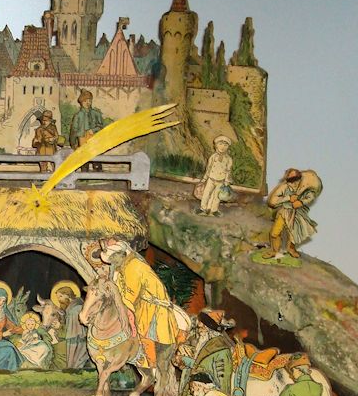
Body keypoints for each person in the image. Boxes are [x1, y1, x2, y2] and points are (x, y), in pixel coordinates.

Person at [99, 237, 179, 367]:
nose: (112, 262)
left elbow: (131, 295)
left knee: (142, 331)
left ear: (120, 254)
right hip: (139, 304)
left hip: (151, 307)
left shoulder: (134, 266)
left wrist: (116, 300)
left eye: (112, 258)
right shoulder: (123, 267)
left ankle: (149, 362)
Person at [262, 168, 321, 260]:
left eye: (296, 179)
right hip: (284, 212)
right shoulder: (284, 187)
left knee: (294, 234)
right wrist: (288, 198)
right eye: (291, 180)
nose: (294, 183)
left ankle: (291, 249)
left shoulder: (303, 187)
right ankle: (274, 251)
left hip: (296, 214)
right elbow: (272, 201)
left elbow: (311, 195)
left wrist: (301, 202)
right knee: (274, 233)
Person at [51, 284, 88, 370]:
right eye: (58, 297)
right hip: (74, 339)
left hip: (77, 341)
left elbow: (73, 330)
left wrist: (60, 326)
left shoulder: (75, 309)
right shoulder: (71, 308)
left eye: (60, 296)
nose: (59, 300)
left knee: (75, 362)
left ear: (68, 295)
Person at [196, 136, 234, 217]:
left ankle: (214, 210)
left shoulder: (229, 159)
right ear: (216, 145)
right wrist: (204, 179)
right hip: (211, 179)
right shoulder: (213, 157)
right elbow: (208, 168)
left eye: (225, 145)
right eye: (220, 144)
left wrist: (226, 181)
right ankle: (203, 208)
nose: (222, 147)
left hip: (221, 181)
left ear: (228, 147)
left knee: (217, 196)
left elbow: (228, 171)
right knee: (206, 194)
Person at [69, 89, 104, 164]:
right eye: (85, 101)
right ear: (81, 102)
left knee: (96, 158)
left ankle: (97, 169)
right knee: (83, 160)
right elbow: (74, 131)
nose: (87, 103)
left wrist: (93, 130)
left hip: (94, 137)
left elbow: (101, 126)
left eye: (89, 101)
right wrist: (73, 144)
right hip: (82, 138)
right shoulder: (78, 115)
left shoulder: (96, 114)